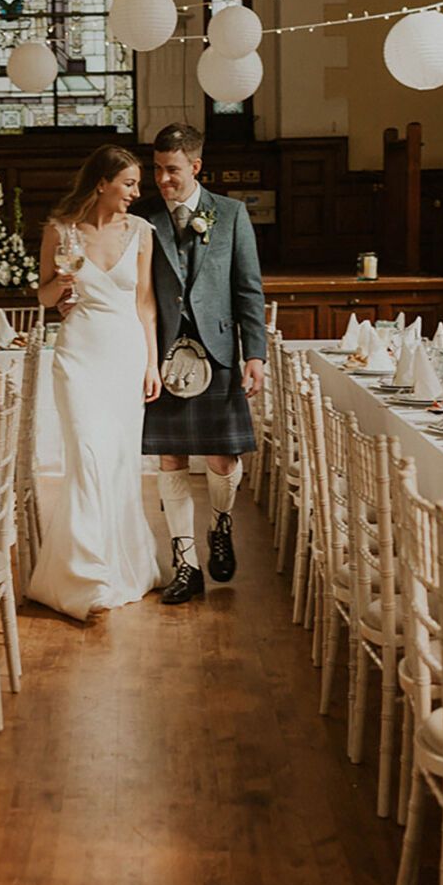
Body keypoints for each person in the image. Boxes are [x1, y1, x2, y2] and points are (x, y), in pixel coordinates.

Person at [26, 144, 169, 620]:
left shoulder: (143, 233)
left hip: (126, 355)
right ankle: (86, 580)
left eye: (137, 184)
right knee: (86, 456)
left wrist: (152, 363)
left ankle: (121, 566)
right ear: (101, 183)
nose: (136, 192)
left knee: (119, 462)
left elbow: (145, 304)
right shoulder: (59, 230)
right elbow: (44, 296)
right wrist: (64, 285)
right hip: (78, 355)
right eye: (128, 183)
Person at [137, 123, 267, 604]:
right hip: (165, 356)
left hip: (218, 353)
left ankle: (221, 524)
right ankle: (186, 564)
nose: (162, 180)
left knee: (221, 458)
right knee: (169, 458)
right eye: (157, 170)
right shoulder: (143, 215)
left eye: (172, 170)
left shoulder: (230, 214)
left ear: (195, 167)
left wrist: (255, 354)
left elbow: (248, 288)